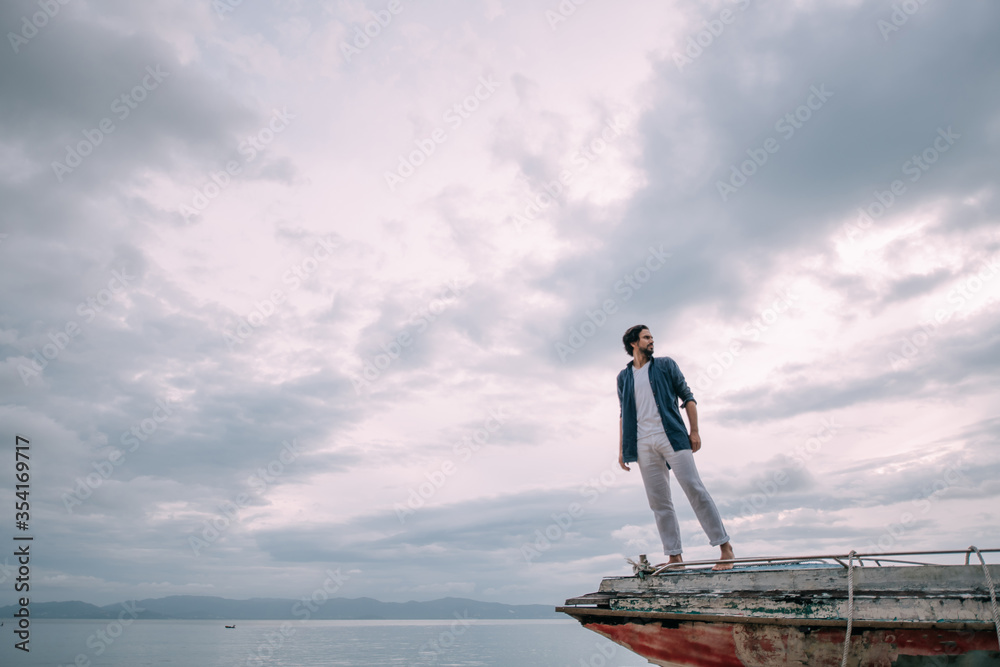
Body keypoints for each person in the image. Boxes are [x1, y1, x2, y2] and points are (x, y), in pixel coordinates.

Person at [617, 324, 735, 570]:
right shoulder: (623, 377)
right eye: (646, 337)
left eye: (651, 337)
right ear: (633, 343)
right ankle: (675, 557)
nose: (651, 341)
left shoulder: (666, 365)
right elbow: (623, 415)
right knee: (659, 501)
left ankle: (725, 548)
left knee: (694, 488)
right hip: (642, 443)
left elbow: (688, 397)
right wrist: (622, 450)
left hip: (672, 436)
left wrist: (694, 431)